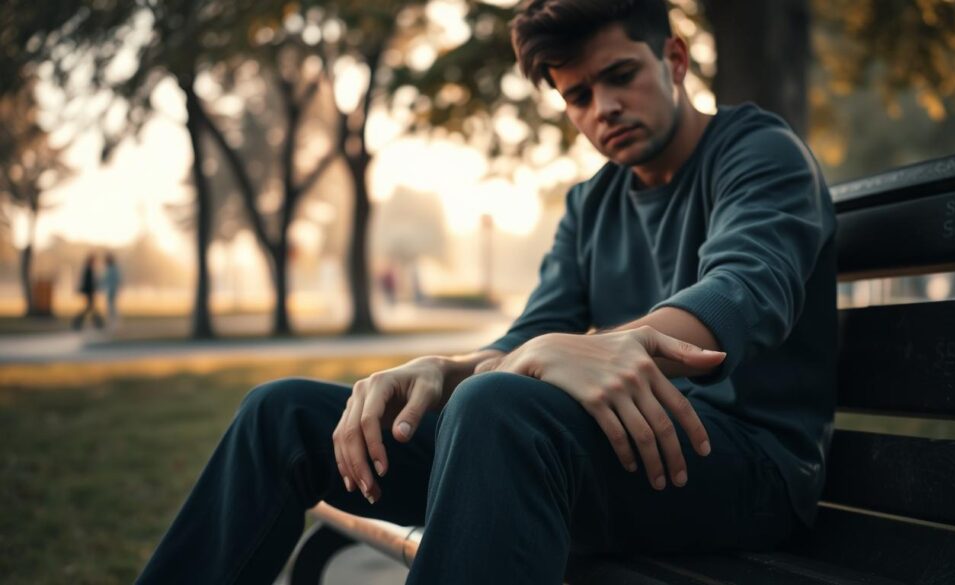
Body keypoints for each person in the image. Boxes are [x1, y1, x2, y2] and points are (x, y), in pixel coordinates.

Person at [136, 1, 836, 583]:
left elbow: (740, 292)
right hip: (615, 454)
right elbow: (525, 337)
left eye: (621, 76)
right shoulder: (592, 205)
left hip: (748, 468)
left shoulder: (758, 151)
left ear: (674, 61)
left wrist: (551, 357)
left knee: (500, 405)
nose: (604, 108)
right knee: (281, 413)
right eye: (579, 96)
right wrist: (442, 369)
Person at [72, 253, 105, 330]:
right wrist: (93, 289)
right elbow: (88, 283)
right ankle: (98, 323)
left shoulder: (89, 269)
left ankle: (97, 323)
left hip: (89, 292)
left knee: (90, 308)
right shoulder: (88, 269)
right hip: (89, 292)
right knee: (90, 308)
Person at [102, 252, 122, 329]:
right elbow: (105, 280)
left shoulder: (113, 269)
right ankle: (111, 323)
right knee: (110, 307)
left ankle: (115, 324)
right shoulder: (109, 268)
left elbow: (117, 280)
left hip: (112, 290)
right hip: (110, 290)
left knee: (112, 308)